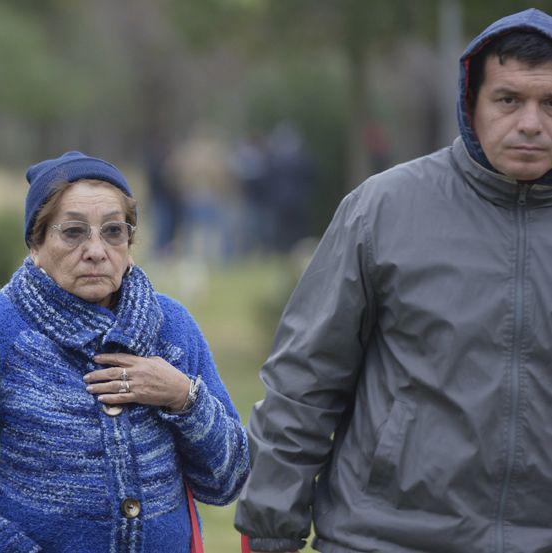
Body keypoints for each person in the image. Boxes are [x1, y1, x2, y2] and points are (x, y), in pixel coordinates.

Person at [235, 9, 552, 553]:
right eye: (508, 100)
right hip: (385, 537)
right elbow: (304, 383)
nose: (530, 122)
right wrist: (268, 532)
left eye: (550, 104)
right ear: (469, 104)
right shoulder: (382, 210)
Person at [0, 151, 250, 552]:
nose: (96, 250)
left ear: (130, 242)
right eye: (73, 232)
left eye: (113, 232)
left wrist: (184, 398)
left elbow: (228, 481)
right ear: (36, 242)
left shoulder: (171, 328)